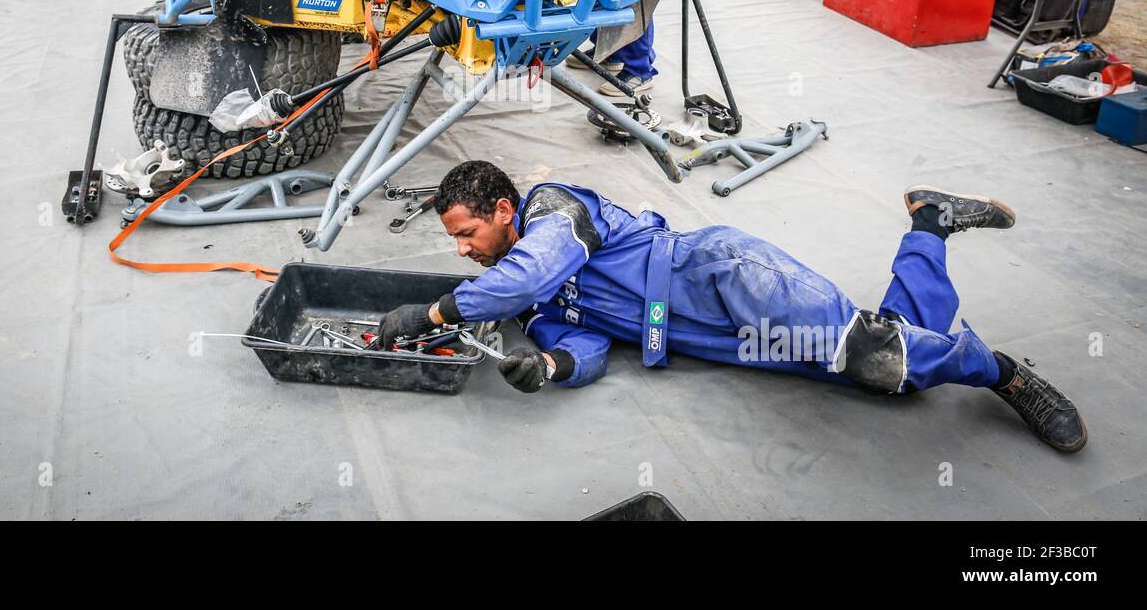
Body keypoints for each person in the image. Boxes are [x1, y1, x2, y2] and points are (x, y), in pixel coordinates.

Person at [374, 161, 1089, 454]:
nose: (464, 250)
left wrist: (434, 315)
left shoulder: (554, 213)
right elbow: (585, 343)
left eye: (467, 235)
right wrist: (555, 366)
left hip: (723, 277)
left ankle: (1000, 372)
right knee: (886, 363)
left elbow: (531, 275)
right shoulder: (525, 299)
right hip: (710, 339)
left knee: (869, 353)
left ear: (503, 210)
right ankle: (930, 223)